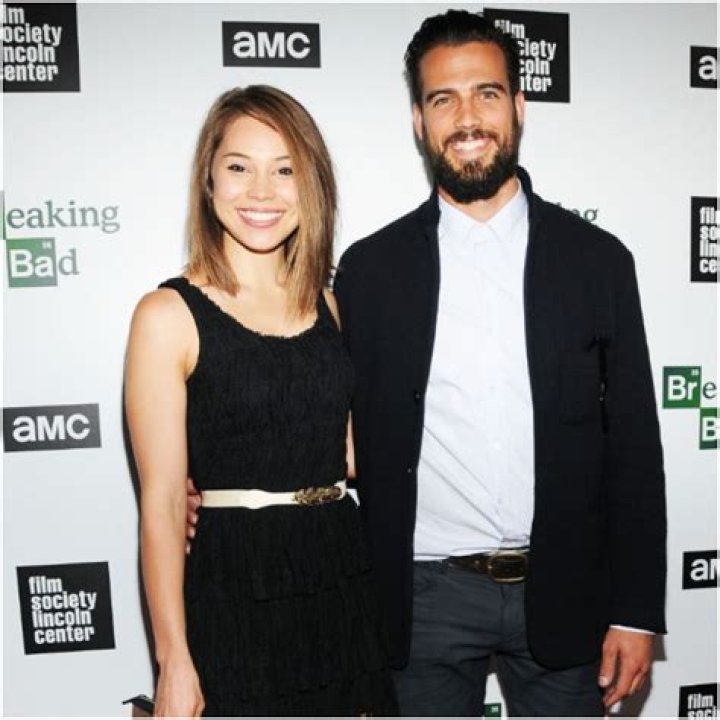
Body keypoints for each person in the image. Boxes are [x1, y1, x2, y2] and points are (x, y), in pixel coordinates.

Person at [331, 10, 667, 718]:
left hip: (568, 586)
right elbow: (314, 407)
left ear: (518, 105)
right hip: (422, 599)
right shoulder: (369, 271)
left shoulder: (598, 262)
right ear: (418, 121)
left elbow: (634, 445)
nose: (466, 119)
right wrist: (210, 483)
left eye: (485, 94)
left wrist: (636, 611)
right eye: (442, 99)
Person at [125, 85, 397, 717]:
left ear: (312, 184)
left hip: (338, 575)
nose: (261, 192)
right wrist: (173, 660)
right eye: (239, 167)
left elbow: (350, 455)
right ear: (209, 179)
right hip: (233, 587)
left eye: (285, 170)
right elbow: (162, 503)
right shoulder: (167, 316)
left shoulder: (330, 306)